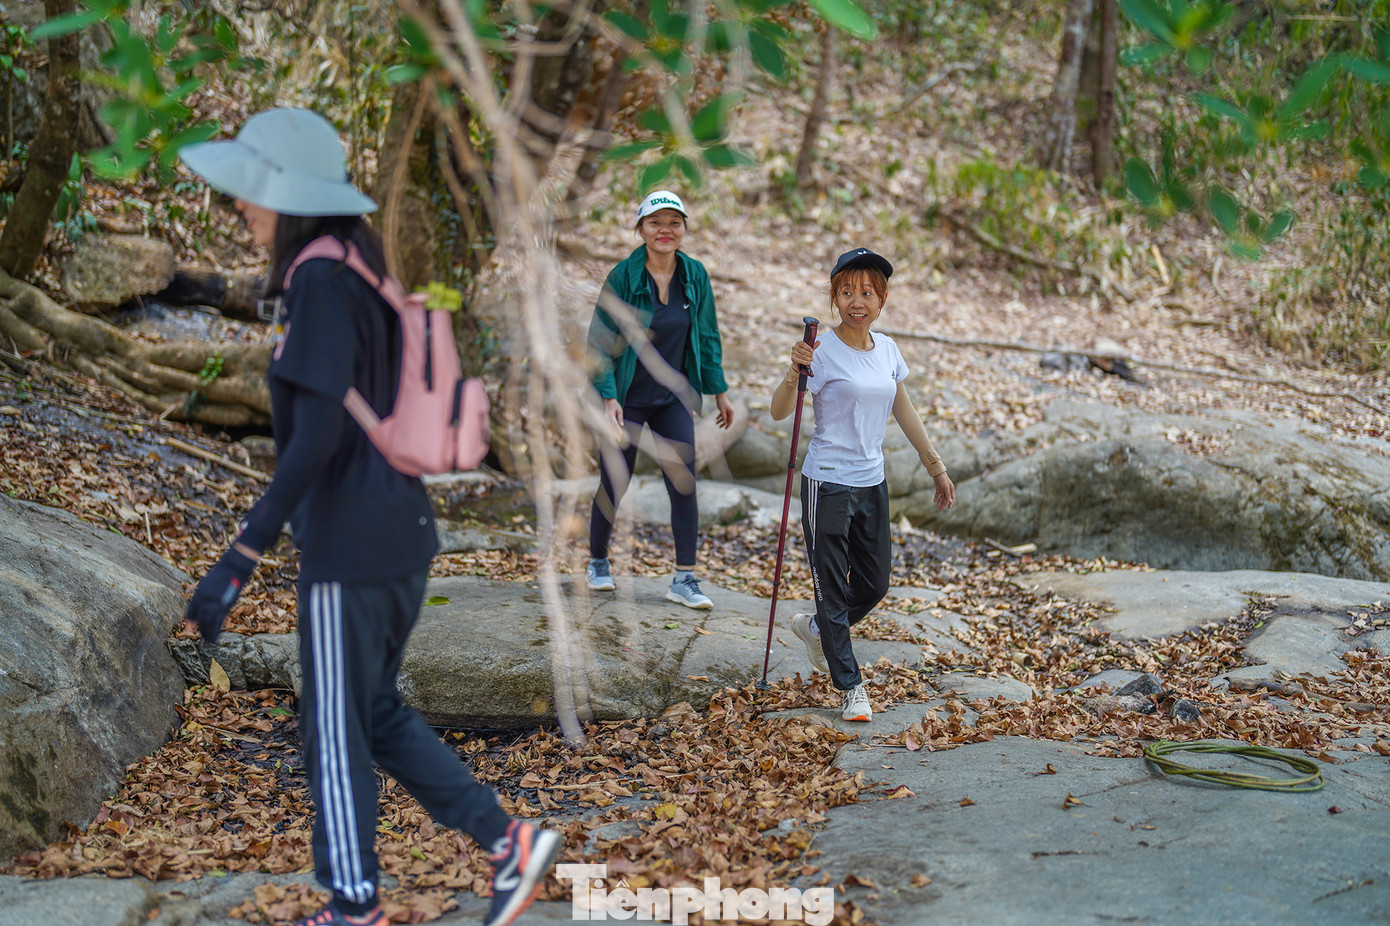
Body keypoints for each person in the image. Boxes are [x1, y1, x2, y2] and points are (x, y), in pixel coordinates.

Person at [179, 108, 560, 926]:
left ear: (292, 198)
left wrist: (237, 559)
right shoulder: (362, 267)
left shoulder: (318, 279)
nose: (242, 209)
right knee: (373, 711)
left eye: (252, 193)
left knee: (331, 728)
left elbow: (313, 439)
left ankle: (353, 904)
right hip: (400, 533)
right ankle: (509, 843)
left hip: (351, 544)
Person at [770, 247, 955, 723]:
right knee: (832, 591)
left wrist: (935, 465)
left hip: (871, 482)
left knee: (874, 584)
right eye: (847, 291)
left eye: (867, 292)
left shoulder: (888, 350)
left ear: (882, 298)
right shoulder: (821, 351)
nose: (858, 300)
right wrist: (795, 370)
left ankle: (817, 630)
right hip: (827, 482)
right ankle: (851, 687)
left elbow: (904, 409)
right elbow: (779, 411)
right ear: (835, 297)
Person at [585, 190, 735, 609]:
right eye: (655, 223)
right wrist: (608, 398)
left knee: (683, 483)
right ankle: (597, 562)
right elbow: (598, 341)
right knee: (614, 480)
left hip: (671, 397)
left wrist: (718, 389)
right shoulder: (623, 277)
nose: (665, 230)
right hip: (627, 396)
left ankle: (684, 578)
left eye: (674, 223)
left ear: (684, 229)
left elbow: (707, 335)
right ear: (641, 229)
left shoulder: (695, 275)